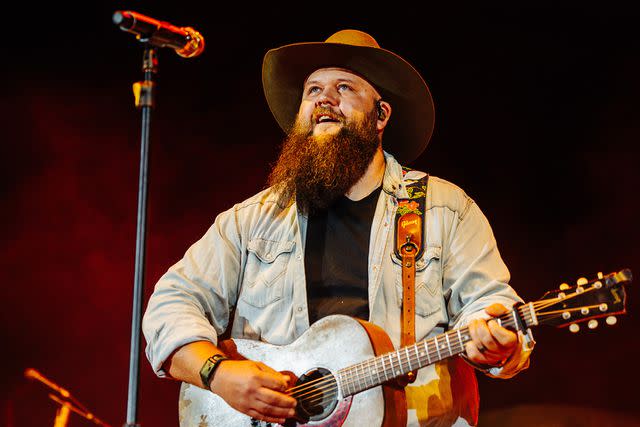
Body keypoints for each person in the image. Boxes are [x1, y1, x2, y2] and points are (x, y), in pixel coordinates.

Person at [142, 29, 533, 427]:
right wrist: (218, 373)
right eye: (312, 90)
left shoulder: (445, 209)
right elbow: (170, 304)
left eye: (344, 87)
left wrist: (496, 342)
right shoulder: (250, 221)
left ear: (381, 116)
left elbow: (489, 304)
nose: (324, 100)